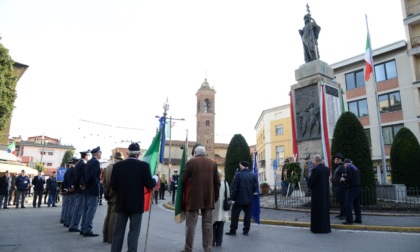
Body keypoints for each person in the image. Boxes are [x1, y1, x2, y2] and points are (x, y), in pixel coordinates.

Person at [110, 143, 157, 252]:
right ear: (139, 154)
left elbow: (113, 185)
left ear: (127, 153)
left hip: (121, 202)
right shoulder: (144, 166)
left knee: (118, 232)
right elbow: (149, 184)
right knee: (134, 232)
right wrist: (155, 179)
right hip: (136, 204)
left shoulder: (118, 166)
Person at [181, 145, 220, 252]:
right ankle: (207, 248)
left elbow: (183, 179)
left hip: (194, 198)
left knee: (191, 225)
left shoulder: (191, 162)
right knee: (207, 225)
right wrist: (215, 196)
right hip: (208, 198)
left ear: (195, 153)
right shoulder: (213, 163)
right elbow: (217, 182)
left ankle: (188, 249)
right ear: (205, 153)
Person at [226, 161, 258, 236]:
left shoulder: (238, 174)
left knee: (235, 215)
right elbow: (255, 188)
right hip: (249, 199)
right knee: (247, 215)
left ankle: (233, 230)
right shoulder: (253, 175)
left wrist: (232, 198)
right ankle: (246, 230)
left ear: (241, 165)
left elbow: (234, 187)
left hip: (238, 199)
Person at [102, 151, 123, 243]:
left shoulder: (108, 168)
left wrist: (106, 193)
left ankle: (105, 236)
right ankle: (111, 238)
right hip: (115, 196)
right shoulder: (118, 169)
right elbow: (116, 184)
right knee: (113, 218)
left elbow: (104, 183)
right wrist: (111, 193)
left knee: (108, 216)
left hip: (109, 195)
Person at [81, 146, 102, 237]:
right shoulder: (96, 162)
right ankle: (87, 229)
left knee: (86, 209)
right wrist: (89, 184)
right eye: (100, 152)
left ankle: (83, 228)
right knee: (91, 210)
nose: (101, 154)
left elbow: (85, 175)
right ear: (97, 153)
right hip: (93, 188)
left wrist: (85, 185)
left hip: (87, 189)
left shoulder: (88, 162)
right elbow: (93, 176)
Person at [307, 155, 331, 233]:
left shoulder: (315, 170)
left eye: (313, 161)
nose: (313, 163)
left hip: (317, 194)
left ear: (316, 161)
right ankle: (326, 228)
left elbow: (310, 183)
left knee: (317, 212)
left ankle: (317, 228)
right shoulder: (327, 169)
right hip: (325, 193)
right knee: (324, 211)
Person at [69, 149, 90, 233]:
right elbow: (81, 177)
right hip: (80, 189)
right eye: (88, 155)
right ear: (85, 156)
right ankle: (74, 226)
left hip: (77, 188)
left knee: (77, 208)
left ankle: (73, 225)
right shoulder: (82, 164)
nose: (89, 157)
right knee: (78, 209)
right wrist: (82, 184)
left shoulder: (79, 164)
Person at [341, 159, 362, 225]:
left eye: (344, 164)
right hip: (358, 187)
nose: (344, 165)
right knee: (356, 205)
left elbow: (349, 178)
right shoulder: (355, 168)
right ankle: (358, 219)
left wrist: (343, 179)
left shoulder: (348, 168)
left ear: (346, 163)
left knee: (348, 204)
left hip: (352, 188)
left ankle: (349, 220)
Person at [212, 170, 229, 247]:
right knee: (220, 225)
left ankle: (212, 241)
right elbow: (228, 195)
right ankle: (219, 241)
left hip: (213, 206)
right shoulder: (225, 183)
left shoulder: (211, 182)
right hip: (222, 207)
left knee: (212, 224)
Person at [332, 153, 346, 219]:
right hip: (337, 186)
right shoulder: (338, 167)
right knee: (341, 201)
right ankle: (341, 213)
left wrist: (340, 180)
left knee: (343, 201)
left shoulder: (342, 166)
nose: (334, 160)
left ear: (339, 159)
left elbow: (344, 175)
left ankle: (344, 214)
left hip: (341, 186)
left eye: (335, 159)